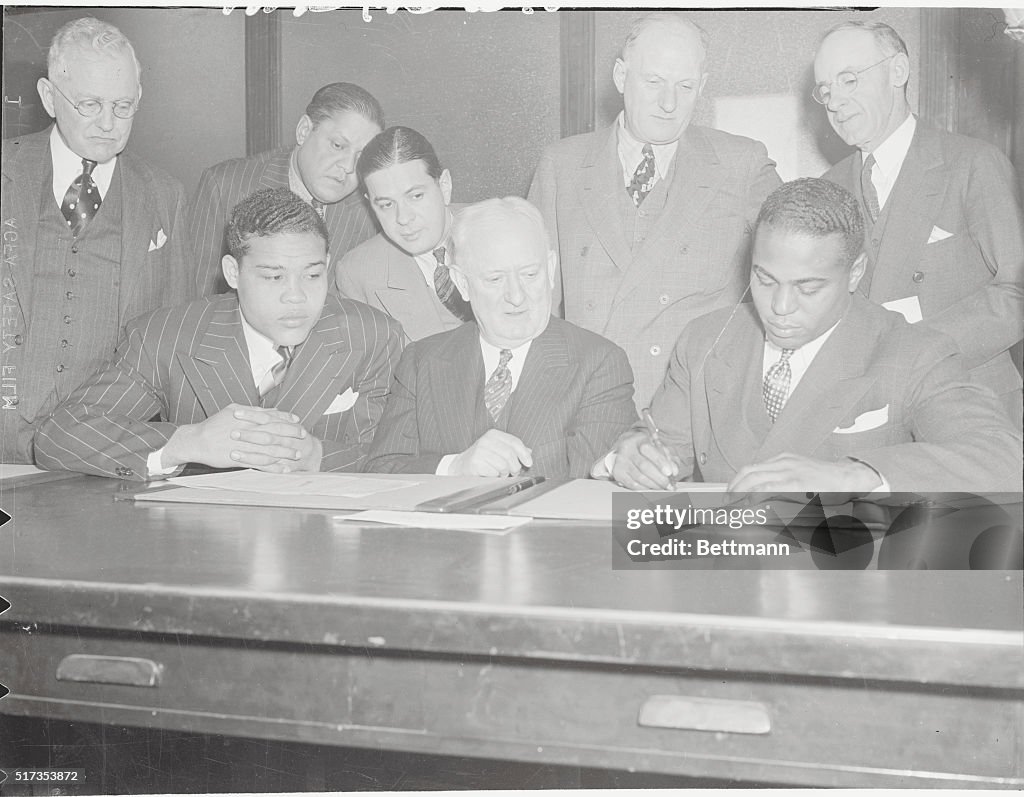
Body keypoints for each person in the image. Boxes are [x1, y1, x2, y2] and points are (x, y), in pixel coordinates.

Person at [600, 178, 1022, 495]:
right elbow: (661, 443)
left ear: (855, 273)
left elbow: (1004, 455)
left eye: (808, 287)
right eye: (765, 279)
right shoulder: (705, 340)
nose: (780, 307)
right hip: (723, 564)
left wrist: (857, 474)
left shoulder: (912, 351)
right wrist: (634, 453)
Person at [35, 188, 403, 479]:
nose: (296, 296)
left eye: (312, 274)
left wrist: (316, 456)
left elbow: (398, 456)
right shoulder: (167, 337)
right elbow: (60, 434)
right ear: (232, 273)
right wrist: (187, 442)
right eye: (274, 276)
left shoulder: (372, 336)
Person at [528, 12, 781, 410]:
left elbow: (797, 276)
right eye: (653, 82)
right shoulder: (562, 166)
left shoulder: (742, 165)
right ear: (620, 76)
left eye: (685, 86)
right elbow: (533, 305)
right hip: (588, 407)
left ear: (703, 86)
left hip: (695, 411)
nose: (668, 103)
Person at [814, 21, 1024, 425]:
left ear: (898, 71)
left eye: (849, 80)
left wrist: (917, 347)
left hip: (975, 409)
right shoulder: (826, 189)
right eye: (825, 91)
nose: (835, 101)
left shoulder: (973, 164)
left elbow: (1018, 291)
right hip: (877, 419)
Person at [1, 17, 191, 463]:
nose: (108, 123)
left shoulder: (165, 194)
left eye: (123, 106)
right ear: (49, 97)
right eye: (89, 104)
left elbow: (175, 337)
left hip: (105, 447)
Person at [365, 197, 636, 478]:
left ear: (551, 269)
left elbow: (596, 491)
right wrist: (453, 467)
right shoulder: (421, 361)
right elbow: (380, 472)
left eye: (530, 274)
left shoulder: (599, 363)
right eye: (495, 279)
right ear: (462, 283)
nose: (516, 296)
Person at [190, 82, 384, 296]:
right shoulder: (225, 186)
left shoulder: (373, 209)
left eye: (362, 156)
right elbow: (200, 302)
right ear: (304, 131)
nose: (348, 166)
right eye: (337, 146)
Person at [337, 126, 472, 341]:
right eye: (386, 204)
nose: (403, 218)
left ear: (444, 186)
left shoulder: (507, 230)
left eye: (416, 196)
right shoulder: (358, 274)